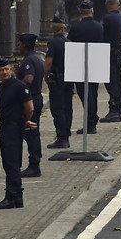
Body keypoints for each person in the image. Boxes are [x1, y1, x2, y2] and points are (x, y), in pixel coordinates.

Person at [0, 58, 33, 209]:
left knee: (12, 162)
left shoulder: (19, 86)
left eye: (6, 69)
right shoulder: (3, 87)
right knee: (7, 162)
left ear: (11, 70)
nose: (4, 72)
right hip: (5, 127)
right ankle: (15, 196)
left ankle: (13, 195)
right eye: (1, 70)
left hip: (13, 127)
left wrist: (25, 120)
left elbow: (29, 107)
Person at [68, 0, 105, 132]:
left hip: (79, 65)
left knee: (84, 93)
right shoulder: (99, 26)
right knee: (93, 93)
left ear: (81, 12)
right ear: (92, 11)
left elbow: (71, 44)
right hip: (96, 63)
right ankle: (92, 119)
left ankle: (90, 121)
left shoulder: (76, 27)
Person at [17, 33, 45, 176]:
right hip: (36, 97)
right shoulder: (37, 58)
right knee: (33, 132)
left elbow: (28, 78)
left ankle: (34, 164)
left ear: (24, 45)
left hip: (31, 100)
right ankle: (35, 161)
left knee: (31, 133)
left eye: (20, 44)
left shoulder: (29, 61)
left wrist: (16, 87)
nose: (18, 46)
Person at [44, 15, 72, 148]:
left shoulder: (52, 43)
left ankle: (62, 137)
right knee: (68, 107)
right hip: (68, 78)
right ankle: (66, 132)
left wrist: (46, 76)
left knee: (57, 108)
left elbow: (48, 62)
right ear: (62, 29)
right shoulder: (69, 42)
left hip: (57, 80)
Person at [101, 0, 121, 121]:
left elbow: (102, 34)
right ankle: (118, 109)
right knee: (117, 80)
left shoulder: (108, 19)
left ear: (107, 4)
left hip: (110, 52)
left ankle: (114, 110)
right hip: (118, 50)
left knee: (111, 81)